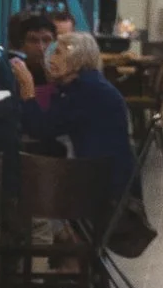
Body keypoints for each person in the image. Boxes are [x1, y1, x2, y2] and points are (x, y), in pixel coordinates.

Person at [28, 26, 135, 195]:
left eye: (58, 53)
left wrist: (27, 92)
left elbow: (41, 127)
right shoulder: (85, 84)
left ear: (77, 59)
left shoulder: (85, 90)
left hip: (102, 185)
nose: (49, 60)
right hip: (104, 174)